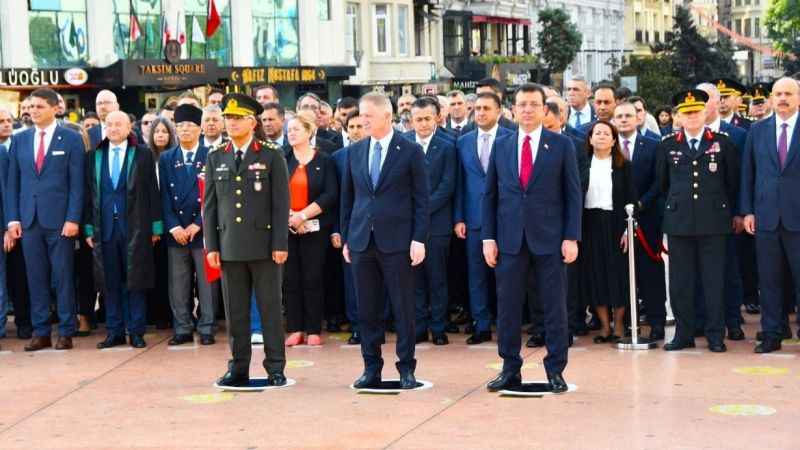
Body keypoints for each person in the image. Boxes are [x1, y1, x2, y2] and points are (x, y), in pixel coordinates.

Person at [481, 83, 581, 393]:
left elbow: (572, 194)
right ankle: (510, 369)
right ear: (513, 109)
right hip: (509, 240)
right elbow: (490, 196)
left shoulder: (561, 145)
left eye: (533, 104)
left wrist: (571, 236)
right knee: (508, 307)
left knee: (554, 306)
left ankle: (555, 370)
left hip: (550, 239)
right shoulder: (502, 145)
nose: (526, 109)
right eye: (521, 104)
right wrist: (488, 238)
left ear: (544, 110)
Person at [340, 92, 429, 390]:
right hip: (362, 241)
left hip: (399, 242)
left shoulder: (410, 150)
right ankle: (371, 367)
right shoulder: (356, 150)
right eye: (360, 116)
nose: (361, 121)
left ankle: (406, 368)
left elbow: (421, 200)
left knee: (403, 308)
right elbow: (348, 199)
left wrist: (419, 238)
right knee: (367, 309)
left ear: (386, 117)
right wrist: (347, 238)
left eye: (367, 116)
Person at [204, 93, 290, 388]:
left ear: (252, 122)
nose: (231, 123)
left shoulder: (270, 154)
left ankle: (275, 366)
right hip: (230, 246)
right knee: (236, 312)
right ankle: (238, 366)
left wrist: (280, 243)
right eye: (227, 118)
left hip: (264, 244)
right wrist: (212, 246)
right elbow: (210, 207)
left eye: (237, 118)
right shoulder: (216, 155)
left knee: (270, 309)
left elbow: (281, 204)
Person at [656, 89, 740, 353]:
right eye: (686, 113)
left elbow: (732, 183)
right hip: (679, 223)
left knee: (713, 280)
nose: (692, 117)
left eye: (696, 112)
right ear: (678, 116)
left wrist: (734, 214)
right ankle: (684, 333)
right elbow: (662, 185)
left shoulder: (723, 143)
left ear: (705, 112)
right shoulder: (668, 144)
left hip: (714, 222)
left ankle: (715, 334)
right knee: (681, 282)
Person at [6, 88, 84, 351]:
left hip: (61, 221)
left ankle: (65, 331)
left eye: (39, 106)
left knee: (62, 277)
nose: (33, 111)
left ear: (55, 108)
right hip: (29, 221)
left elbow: (77, 184)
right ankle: (40, 332)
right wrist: (12, 220)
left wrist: (73, 217)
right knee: (35, 277)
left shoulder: (71, 139)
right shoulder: (20, 139)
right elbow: (12, 184)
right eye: (30, 107)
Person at [84, 111, 162, 349]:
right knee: (110, 283)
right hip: (104, 228)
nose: (113, 128)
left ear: (130, 127)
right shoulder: (94, 156)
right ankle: (114, 331)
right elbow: (89, 194)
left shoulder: (143, 155)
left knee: (135, 281)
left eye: (119, 124)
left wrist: (155, 227)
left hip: (135, 227)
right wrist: (88, 228)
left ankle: (136, 331)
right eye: (109, 124)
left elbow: (152, 192)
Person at [741, 77, 800, 353]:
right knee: (769, 279)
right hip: (765, 217)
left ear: (798, 97)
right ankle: (772, 333)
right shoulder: (758, 130)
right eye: (778, 94)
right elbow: (747, 174)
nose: (783, 98)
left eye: (788, 93)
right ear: (771, 99)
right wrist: (747, 211)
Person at [453, 92, 513, 344]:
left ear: (498, 111)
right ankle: (481, 324)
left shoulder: (510, 139)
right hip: (474, 219)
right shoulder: (463, 142)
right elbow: (459, 183)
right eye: (476, 108)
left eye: (486, 108)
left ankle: (507, 323)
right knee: (476, 275)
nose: (480, 112)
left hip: (506, 218)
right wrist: (459, 218)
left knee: (506, 275)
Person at [159, 104, 216, 346]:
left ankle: (207, 326)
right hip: (176, 231)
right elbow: (162, 196)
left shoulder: (211, 155)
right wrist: (174, 226)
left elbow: (214, 196)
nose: (185, 130)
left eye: (190, 126)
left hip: (202, 230)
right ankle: (182, 326)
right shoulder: (166, 158)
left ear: (199, 128)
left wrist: (197, 224)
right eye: (180, 126)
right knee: (179, 282)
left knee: (206, 282)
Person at [283, 114, 339, 347]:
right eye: (289, 130)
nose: (291, 133)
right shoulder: (281, 159)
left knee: (313, 277)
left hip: (314, 227)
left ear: (309, 132)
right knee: (290, 278)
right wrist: (289, 217)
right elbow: (273, 191)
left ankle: (314, 328)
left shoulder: (324, 160)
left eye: (296, 129)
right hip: (286, 228)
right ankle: (295, 328)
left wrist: (303, 215)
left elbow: (330, 194)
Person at [579, 120, 638, 342]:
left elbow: (632, 199)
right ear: (591, 139)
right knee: (596, 275)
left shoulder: (624, 166)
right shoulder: (583, 164)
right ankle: (604, 326)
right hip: (590, 223)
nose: (601, 136)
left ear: (614, 140)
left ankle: (619, 325)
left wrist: (627, 229)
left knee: (618, 275)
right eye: (597, 133)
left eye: (606, 133)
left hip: (616, 224)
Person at [612, 102, 665, 340]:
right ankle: (626, 325)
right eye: (619, 116)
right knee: (621, 275)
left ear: (638, 119)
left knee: (650, 273)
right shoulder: (607, 146)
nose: (623, 120)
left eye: (628, 116)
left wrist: (641, 204)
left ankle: (656, 322)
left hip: (647, 219)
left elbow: (660, 181)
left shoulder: (654, 146)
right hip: (615, 221)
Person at [407, 97, 457, 345]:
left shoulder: (448, 146)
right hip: (410, 225)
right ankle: (418, 326)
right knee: (414, 278)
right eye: (418, 119)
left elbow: (448, 184)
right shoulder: (403, 143)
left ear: (437, 118)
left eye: (427, 118)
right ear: (411, 120)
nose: (423, 124)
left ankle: (438, 327)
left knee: (437, 278)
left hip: (437, 223)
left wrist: (423, 210)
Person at [331, 111, 365, 345]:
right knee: (351, 279)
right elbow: (336, 197)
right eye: (351, 126)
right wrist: (337, 230)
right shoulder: (338, 157)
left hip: (377, 225)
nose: (355, 130)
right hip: (350, 226)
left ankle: (378, 322)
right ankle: (357, 325)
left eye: (360, 125)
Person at [0, 108, 33, 340]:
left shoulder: (22, 143)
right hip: (8, 224)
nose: (5, 124)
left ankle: (24, 322)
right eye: (0, 121)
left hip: (25, 222)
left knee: (21, 276)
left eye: (8, 120)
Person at [146, 116, 177, 329]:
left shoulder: (174, 157)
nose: (160, 135)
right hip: (152, 224)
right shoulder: (145, 157)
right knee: (154, 270)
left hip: (173, 222)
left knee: (171, 273)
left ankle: (170, 313)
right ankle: (155, 313)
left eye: (164, 131)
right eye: (156, 131)